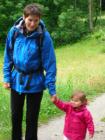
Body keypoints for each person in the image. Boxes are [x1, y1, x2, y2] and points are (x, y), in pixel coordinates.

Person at [3, 3, 57, 140]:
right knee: (15, 117)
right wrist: (7, 77)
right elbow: (8, 56)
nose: (32, 24)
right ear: (24, 17)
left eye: (36, 20)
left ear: (39, 20)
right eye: (30, 20)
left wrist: (52, 89)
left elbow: (50, 64)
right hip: (17, 80)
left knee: (32, 119)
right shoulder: (14, 32)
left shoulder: (43, 37)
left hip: (36, 81)